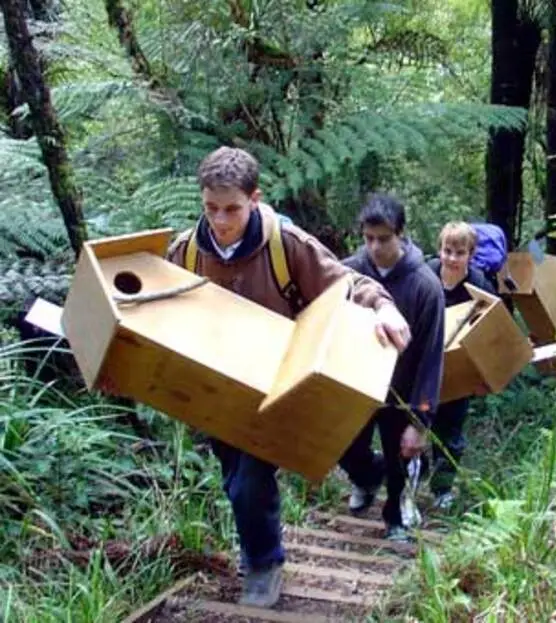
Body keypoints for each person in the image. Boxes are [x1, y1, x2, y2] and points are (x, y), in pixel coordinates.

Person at [163, 147, 411, 608]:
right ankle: (359, 479)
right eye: (211, 208)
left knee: (248, 479)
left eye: (232, 209)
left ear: (254, 199)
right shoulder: (185, 252)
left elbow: (346, 282)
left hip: (279, 383)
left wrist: (385, 305)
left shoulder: (286, 245)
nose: (220, 220)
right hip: (216, 387)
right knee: (233, 476)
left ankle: (263, 563)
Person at [338, 193, 445, 542]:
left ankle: (395, 517)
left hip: (401, 390)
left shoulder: (425, 285)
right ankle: (367, 480)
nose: (375, 247)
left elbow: (432, 358)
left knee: (399, 454)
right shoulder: (349, 272)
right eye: (368, 238)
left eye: (384, 239)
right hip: (355, 386)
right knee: (347, 450)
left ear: (401, 233)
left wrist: (420, 420)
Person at [425, 222, 495, 509]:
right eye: (447, 251)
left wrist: (482, 376)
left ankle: (442, 488)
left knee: (450, 432)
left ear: (471, 254)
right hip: (424, 368)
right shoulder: (426, 276)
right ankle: (412, 480)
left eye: (459, 252)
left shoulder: (479, 285)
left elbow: (490, 333)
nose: (452, 258)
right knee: (415, 424)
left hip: (458, 372)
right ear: (439, 250)